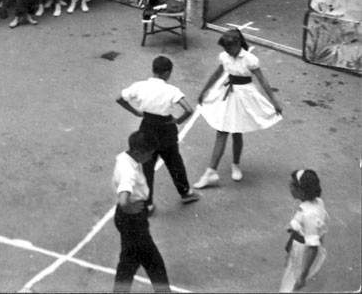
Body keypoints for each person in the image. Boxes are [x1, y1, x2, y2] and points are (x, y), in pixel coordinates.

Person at [194, 29, 283, 189]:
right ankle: (210, 172)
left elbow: (262, 80)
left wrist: (274, 101)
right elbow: (216, 74)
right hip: (227, 95)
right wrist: (204, 90)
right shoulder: (224, 57)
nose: (226, 52)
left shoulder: (250, 59)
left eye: (229, 48)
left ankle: (235, 164)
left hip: (244, 96)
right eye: (225, 49)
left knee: (237, 132)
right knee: (221, 131)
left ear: (237, 44)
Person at [116, 56, 201, 214]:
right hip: (166, 128)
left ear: (154, 70)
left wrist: (135, 112)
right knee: (174, 162)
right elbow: (189, 110)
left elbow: (120, 99)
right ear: (167, 73)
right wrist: (178, 121)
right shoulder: (171, 90)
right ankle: (185, 193)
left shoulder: (140, 86)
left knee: (147, 166)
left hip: (147, 127)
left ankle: (147, 203)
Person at [112, 130, 171, 293]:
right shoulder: (130, 172)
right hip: (134, 220)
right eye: (149, 154)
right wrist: (129, 207)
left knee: (128, 261)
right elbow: (124, 199)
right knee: (154, 263)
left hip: (126, 218)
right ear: (138, 153)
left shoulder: (124, 158)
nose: (151, 157)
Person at [280, 169, 329, 292]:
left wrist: (302, 275)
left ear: (301, 191)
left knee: (290, 285)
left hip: (302, 253)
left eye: (292, 185)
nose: (289, 186)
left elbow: (312, 246)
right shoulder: (318, 202)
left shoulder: (309, 215)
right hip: (300, 246)